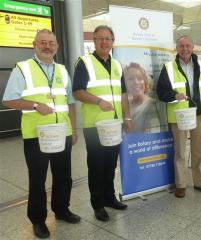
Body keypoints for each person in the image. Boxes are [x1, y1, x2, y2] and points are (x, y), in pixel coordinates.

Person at [2, 29, 80, 239]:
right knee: (37, 179)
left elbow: (70, 103)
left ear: (57, 46)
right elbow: (8, 100)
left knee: (64, 176)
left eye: (51, 43)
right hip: (36, 135)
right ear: (34, 44)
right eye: (43, 42)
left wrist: (72, 130)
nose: (47, 46)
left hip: (61, 133)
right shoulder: (23, 69)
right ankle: (38, 220)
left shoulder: (63, 71)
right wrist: (36, 105)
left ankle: (62, 210)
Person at [73, 25, 132, 221]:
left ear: (112, 42)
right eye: (101, 38)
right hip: (95, 126)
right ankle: (97, 204)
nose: (105, 42)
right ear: (94, 40)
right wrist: (98, 101)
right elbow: (77, 92)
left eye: (109, 39)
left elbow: (123, 93)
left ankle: (109, 197)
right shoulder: (84, 62)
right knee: (97, 166)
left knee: (110, 165)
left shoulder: (116, 64)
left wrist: (128, 117)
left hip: (114, 125)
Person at [157, 35, 201, 198]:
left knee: (198, 151)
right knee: (180, 152)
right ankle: (181, 184)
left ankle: (200, 181)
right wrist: (175, 95)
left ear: (193, 47)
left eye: (188, 45)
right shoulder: (168, 67)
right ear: (177, 48)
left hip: (198, 114)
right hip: (179, 115)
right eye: (181, 46)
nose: (185, 49)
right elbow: (161, 92)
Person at [124, 62, 160, 133]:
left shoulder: (152, 105)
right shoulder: (124, 105)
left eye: (140, 78)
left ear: (145, 81)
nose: (136, 82)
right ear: (125, 83)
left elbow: (153, 135)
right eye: (131, 79)